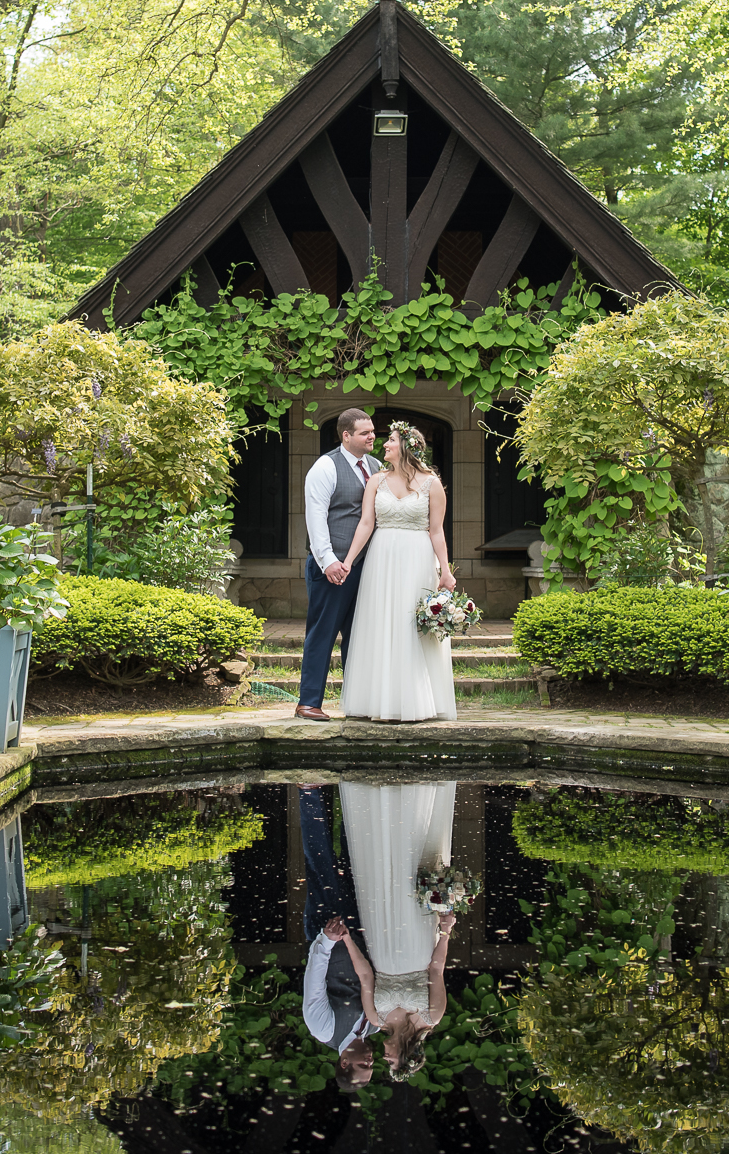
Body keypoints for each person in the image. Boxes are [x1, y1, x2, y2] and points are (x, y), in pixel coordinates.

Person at [336, 420, 457, 723]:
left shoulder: (432, 483)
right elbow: (366, 524)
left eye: (390, 440)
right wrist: (349, 561)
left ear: (405, 446)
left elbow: (437, 531)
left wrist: (446, 571)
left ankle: (417, 701)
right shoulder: (376, 481)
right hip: (382, 557)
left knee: (411, 626)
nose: (384, 445)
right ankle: (378, 700)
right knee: (382, 623)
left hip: (417, 557)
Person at [340, 780, 457, 1078]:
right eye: (390, 1062)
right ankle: (416, 802)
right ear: (405, 1056)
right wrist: (445, 932)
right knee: (409, 877)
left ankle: (380, 800)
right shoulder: (432, 1016)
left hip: (382, 944)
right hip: (418, 945)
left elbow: (365, 974)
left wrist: (347, 940)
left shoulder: (375, 1018)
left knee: (382, 879)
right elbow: (436, 969)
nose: (384, 1057)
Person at [294, 408, 381, 722]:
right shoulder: (325, 466)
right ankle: (309, 702)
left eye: (372, 431)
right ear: (346, 435)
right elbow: (315, 518)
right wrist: (329, 561)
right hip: (332, 569)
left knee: (359, 636)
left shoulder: (375, 466)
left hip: (365, 567)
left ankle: (356, 702)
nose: (372, 436)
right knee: (323, 633)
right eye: (364, 433)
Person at [298, 785, 379, 1089]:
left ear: (344, 1063)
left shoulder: (323, 1030)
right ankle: (352, 790)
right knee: (356, 859)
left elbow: (315, 983)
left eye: (363, 1066)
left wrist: (327, 939)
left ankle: (310, 793)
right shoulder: (372, 1026)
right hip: (360, 931)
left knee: (320, 861)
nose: (370, 1061)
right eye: (371, 1067)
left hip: (327, 930)